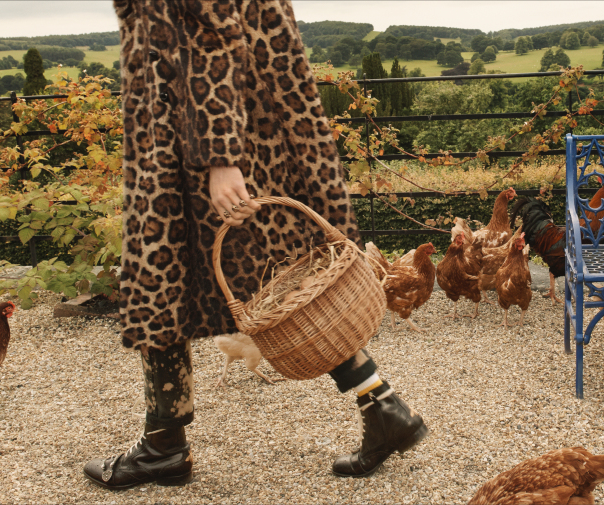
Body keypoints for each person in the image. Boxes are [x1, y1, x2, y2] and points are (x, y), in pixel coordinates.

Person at [83, 0, 428, 489]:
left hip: (195, 140)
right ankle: (382, 405)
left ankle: (163, 445)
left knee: (169, 285)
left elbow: (211, 35)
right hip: (228, 126)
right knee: (276, 285)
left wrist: (221, 155)